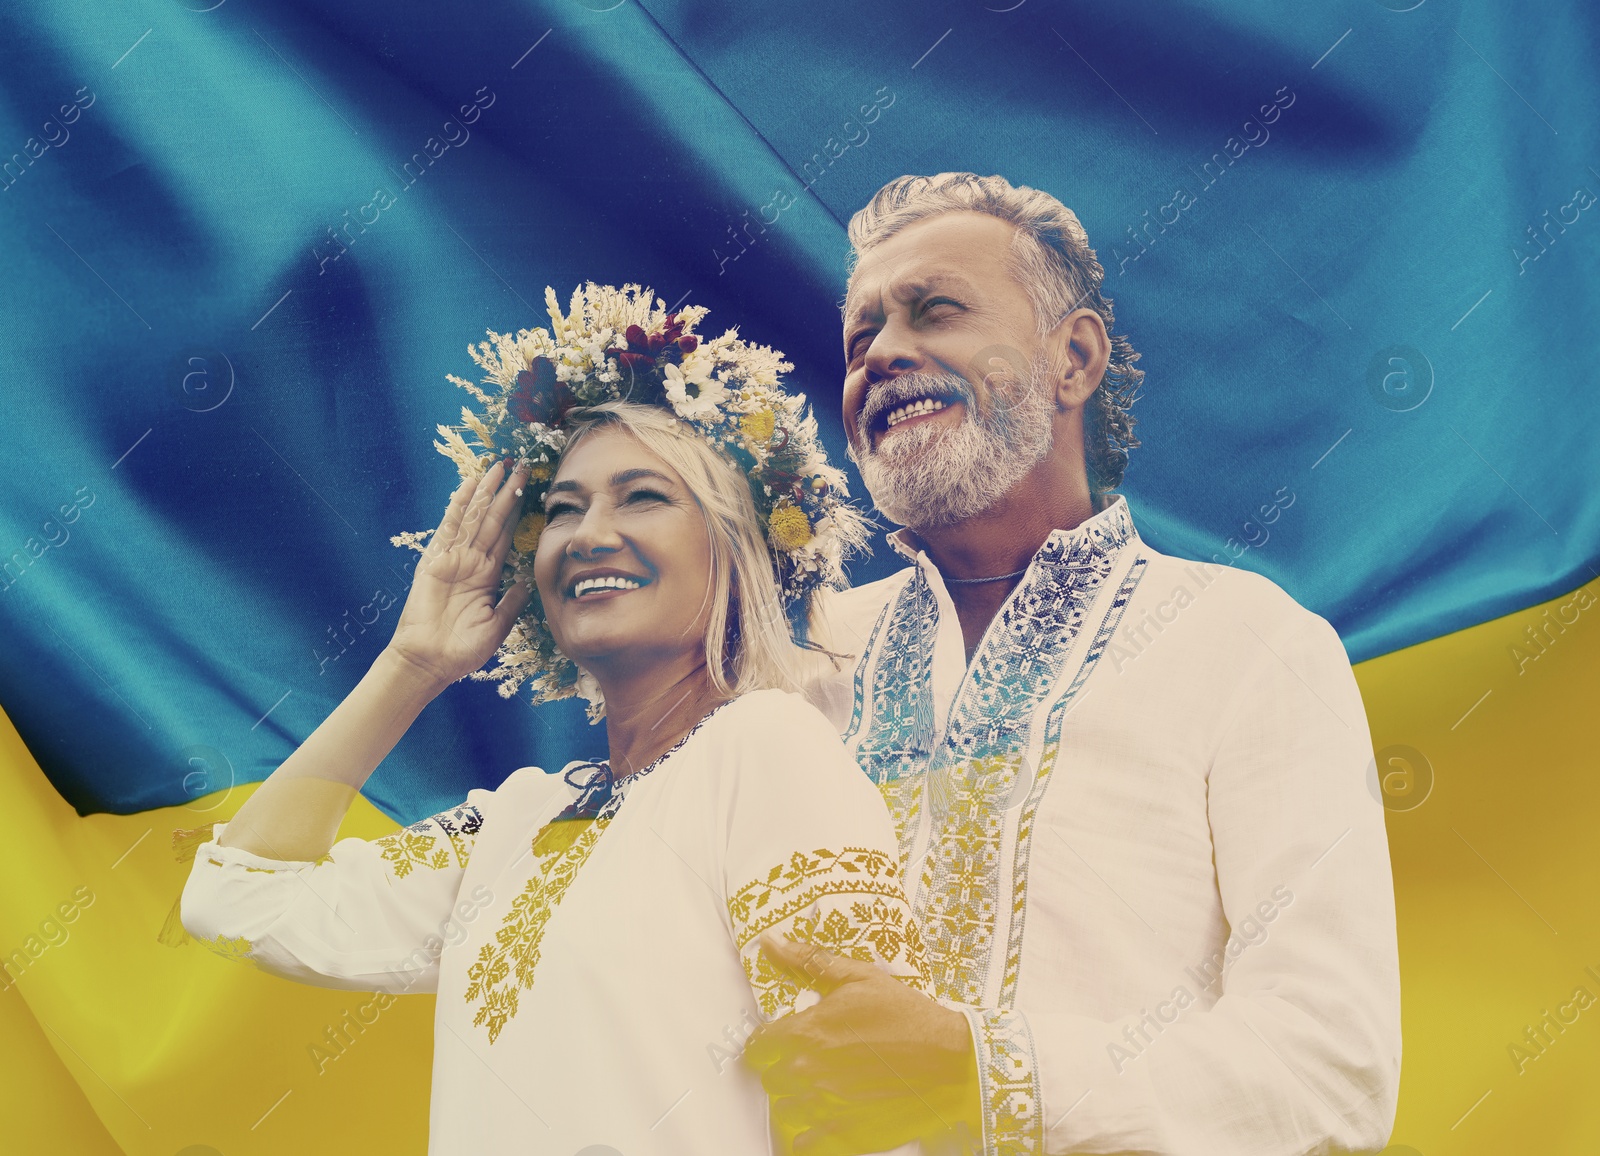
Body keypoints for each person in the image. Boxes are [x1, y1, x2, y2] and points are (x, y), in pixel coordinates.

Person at [178, 286, 931, 1155]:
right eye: (564, 509)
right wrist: (409, 668)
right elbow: (234, 897)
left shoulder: (766, 748)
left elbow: (875, 1099)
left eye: (642, 497)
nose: (587, 534)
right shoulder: (520, 818)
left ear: (738, 546)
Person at [742, 173, 1403, 1156]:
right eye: (858, 338)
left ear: (1074, 356)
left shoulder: (1245, 641)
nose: (880, 354)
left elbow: (1331, 1072)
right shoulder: (798, 678)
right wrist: (420, 663)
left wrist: (981, 1073)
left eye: (936, 310)